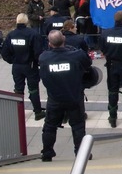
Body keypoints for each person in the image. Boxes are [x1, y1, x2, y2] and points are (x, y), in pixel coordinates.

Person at [39, 31, 92, 162]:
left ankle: (47, 153)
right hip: (74, 97)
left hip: (55, 98)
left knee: (50, 127)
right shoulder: (76, 55)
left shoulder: (44, 58)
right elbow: (88, 63)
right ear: (64, 40)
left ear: (50, 43)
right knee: (78, 126)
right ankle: (81, 153)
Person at [1, 13, 45, 120]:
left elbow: (4, 52)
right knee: (33, 89)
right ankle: (38, 112)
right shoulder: (33, 34)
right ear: (26, 21)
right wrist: (37, 63)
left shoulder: (11, 35)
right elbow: (38, 52)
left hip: (16, 66)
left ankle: (18, 112)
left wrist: (12, 60)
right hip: (30, 66)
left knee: (18, 89)